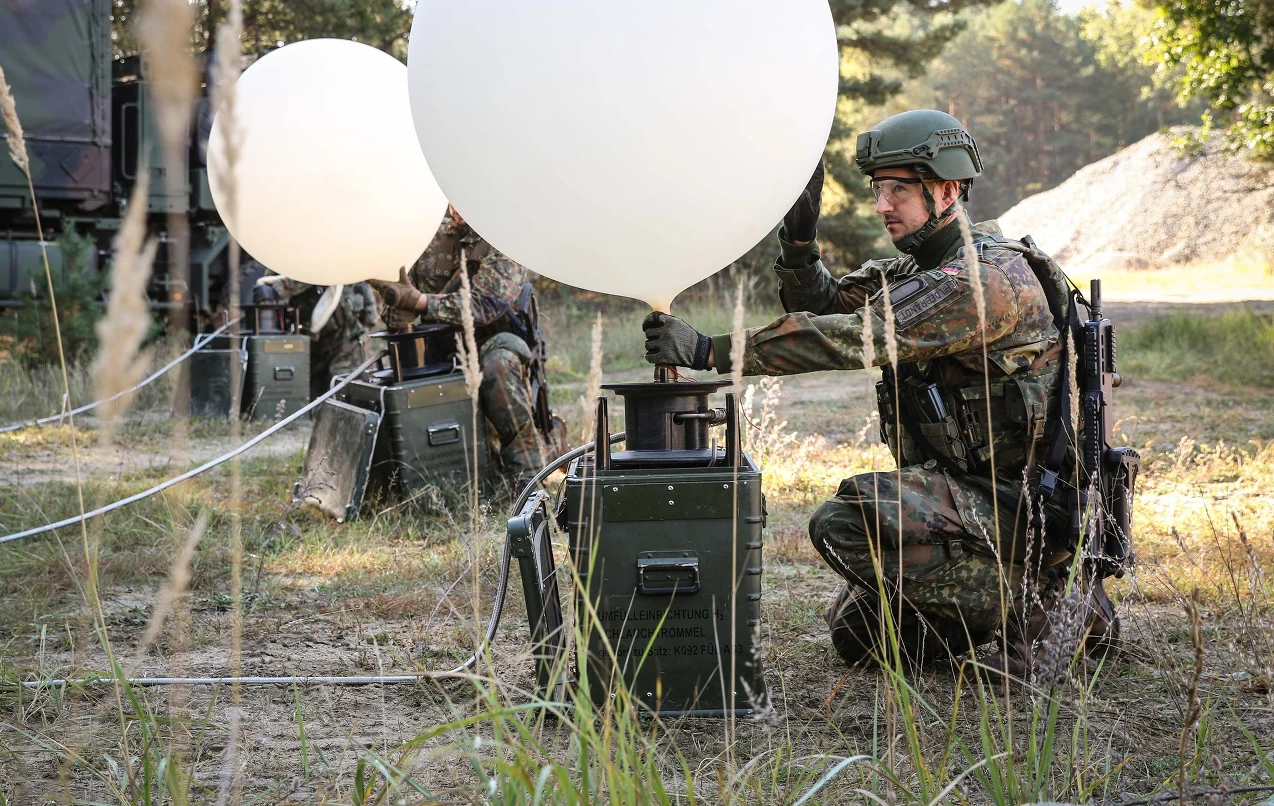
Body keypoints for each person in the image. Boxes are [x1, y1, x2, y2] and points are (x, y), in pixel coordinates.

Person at [639, 110, 1117, 681]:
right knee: (858, 638)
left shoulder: (983, 280)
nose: (882, 204)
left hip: (1019, 507)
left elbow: (852, 336)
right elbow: (825, 305)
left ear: (945, 189)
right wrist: (798, 236)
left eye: (899, 189)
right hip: (968, 494)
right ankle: (1017, 599)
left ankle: (1052, 598)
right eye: (878, 189)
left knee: (843, 523)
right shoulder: (925, 265)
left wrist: (708, 351)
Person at [367, 206, 566, 485]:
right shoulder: (427, 238)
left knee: (498, 365)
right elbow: (404, 292)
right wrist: (397, 310)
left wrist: (421, 303)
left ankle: (529, 475)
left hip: (496, 344)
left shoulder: (504, 238)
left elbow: (486, 303)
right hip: (440, 348)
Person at [254, 273, 379, 400]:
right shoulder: (352, 279)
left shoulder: (299, 274)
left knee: (329, 397)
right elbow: (371, 318)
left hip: (328, 347)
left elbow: (371, 318)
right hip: (333, 347)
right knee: (339, 396)